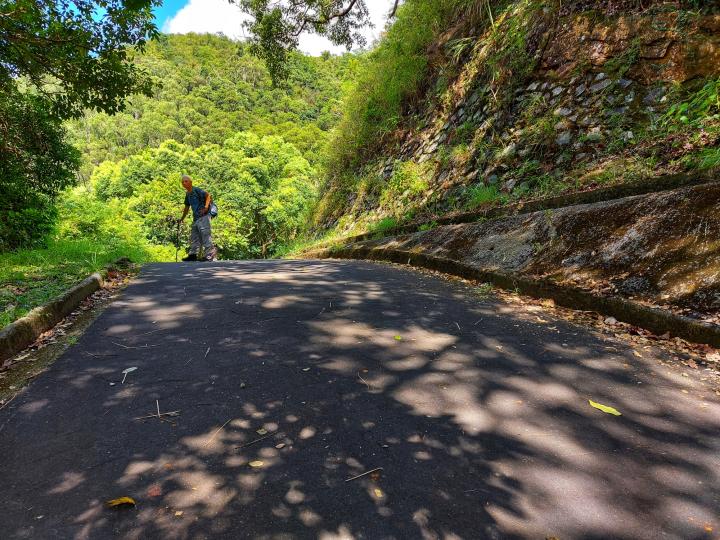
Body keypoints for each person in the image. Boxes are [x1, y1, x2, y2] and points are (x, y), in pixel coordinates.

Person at [178, 174, 216, 261]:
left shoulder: (196, 190)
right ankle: (193, 255)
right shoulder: (188, 194)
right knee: (194, 236)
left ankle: (209, 255)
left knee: (205, 235)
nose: (184, 183)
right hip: (196, 218)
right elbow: (187, 208)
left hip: (204, 216)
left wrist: (206, 208)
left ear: (191, 182)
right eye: (182, 182)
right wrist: (182, 219)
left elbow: (208, 196)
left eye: (186, 181)